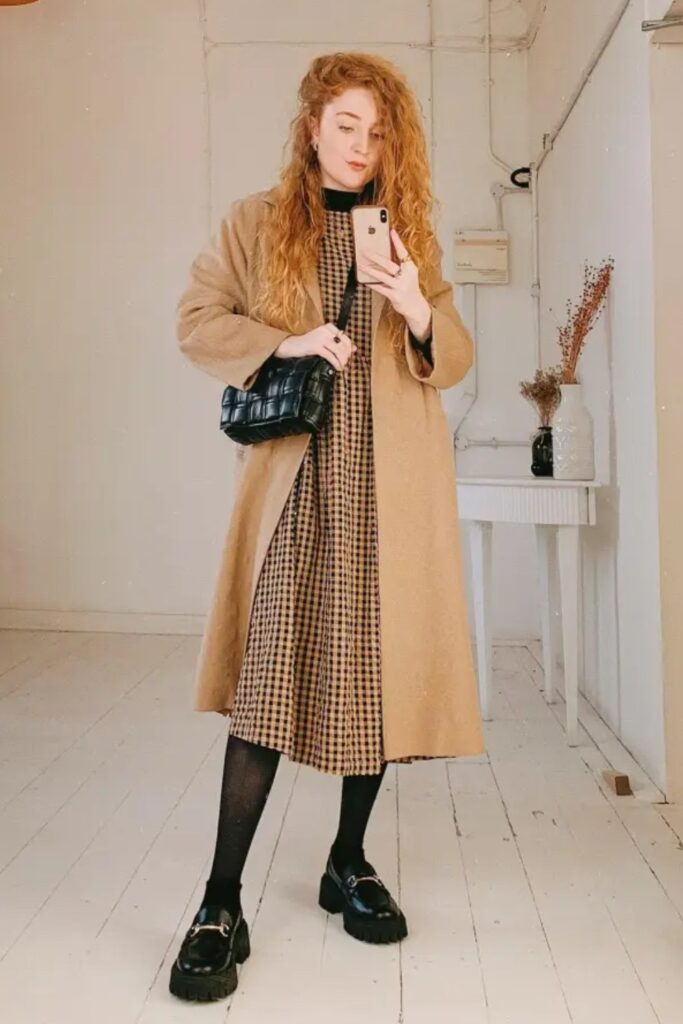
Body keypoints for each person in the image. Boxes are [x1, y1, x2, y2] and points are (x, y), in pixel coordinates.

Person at [169, 51, 486, 1003]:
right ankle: (221, 901)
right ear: (312, 127)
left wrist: (410, 305)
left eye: (378, 131)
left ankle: (345, 859)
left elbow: (455, 357)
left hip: (391, 492)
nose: (361, 145)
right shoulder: (257, 224)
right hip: (297, 491)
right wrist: (288, 339)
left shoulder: (406, 234)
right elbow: (195, 320)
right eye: (345, 125)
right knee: (267, 685)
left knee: (377, 686)